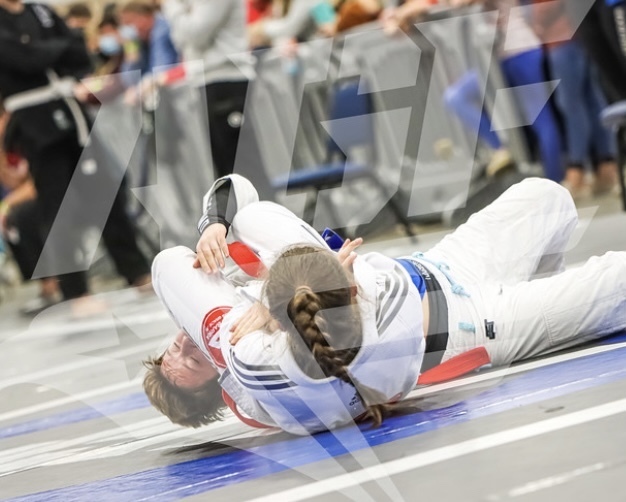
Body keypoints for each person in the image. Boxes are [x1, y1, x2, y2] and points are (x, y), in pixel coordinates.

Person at [144, 173, 626, 435]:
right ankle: (546, 304)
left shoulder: (227, 305)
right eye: (193, 361)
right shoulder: (254, 382)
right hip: (468, 327)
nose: (187, 343)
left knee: (547, 197)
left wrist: (213, 225)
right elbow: (325, 360)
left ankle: (547, 294)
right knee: (618, 283)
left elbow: (238, 191)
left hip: (439, 267)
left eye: (176, 346)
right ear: (218, 388)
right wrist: (279, 307)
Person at [0, 0, 152, 305]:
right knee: (57, 206)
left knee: (106, 193)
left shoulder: (40, 11)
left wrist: (46, 50)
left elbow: (78, 50)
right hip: (35, 123)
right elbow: (24, 59)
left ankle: (136, 271)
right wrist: (53, 49)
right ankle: (75, 291)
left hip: (71, 114)